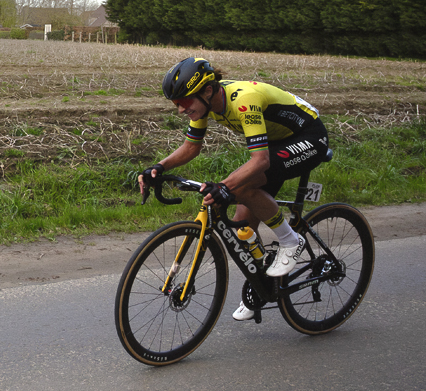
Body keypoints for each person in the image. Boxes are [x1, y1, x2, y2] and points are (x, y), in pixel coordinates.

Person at [139, 57, 331, 321]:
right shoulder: (207, 103)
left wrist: (225, 187)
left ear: (207, 91)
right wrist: (158, 167)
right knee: (240, 228)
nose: (181, 111)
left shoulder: (244, 101)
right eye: (177, 105)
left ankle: (290, 240)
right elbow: (192, 147)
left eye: (184, 103)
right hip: (276, 144)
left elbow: (260, 161)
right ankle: (262, 286)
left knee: (241, 187)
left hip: (308, 137)